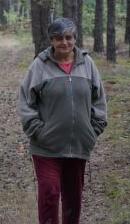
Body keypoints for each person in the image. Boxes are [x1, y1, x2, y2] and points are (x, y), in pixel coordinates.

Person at [18, 18, 107, 224]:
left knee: (73, 198)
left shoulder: (87, 64)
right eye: (59, 38)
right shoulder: (40, 65)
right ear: (52, 40)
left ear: (75, 38)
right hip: (46, 147)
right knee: (49, 194)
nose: (64, 42)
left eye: (68, 37)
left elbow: (99, 99)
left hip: (78, 145)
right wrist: (38, 131)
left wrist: (93, 130)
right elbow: (26, 101)